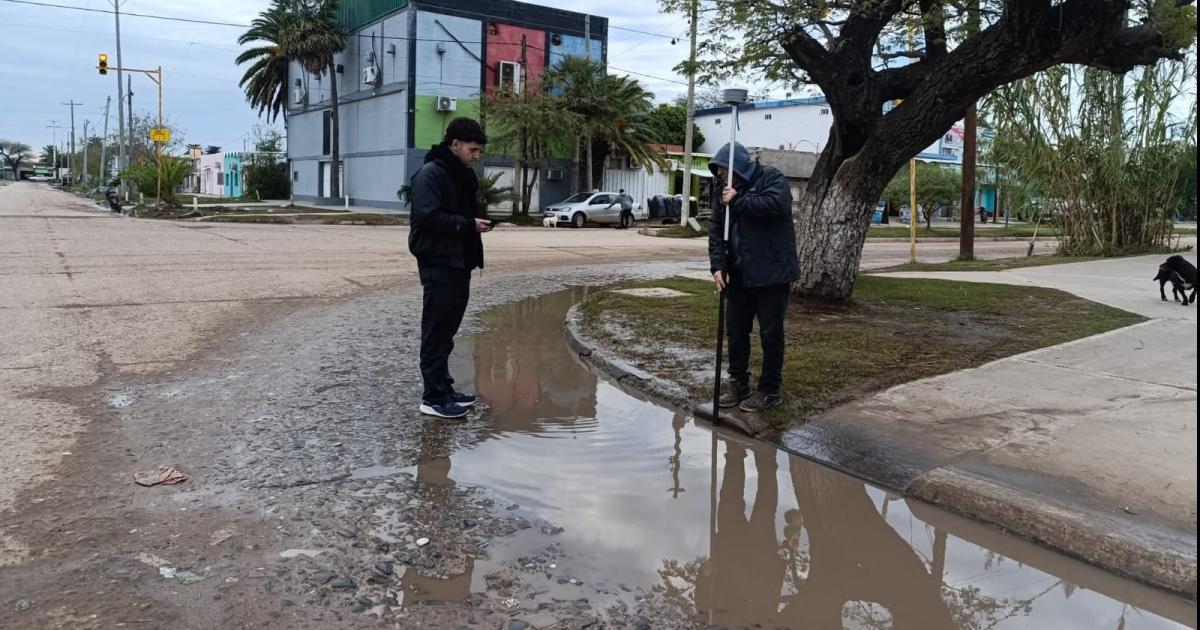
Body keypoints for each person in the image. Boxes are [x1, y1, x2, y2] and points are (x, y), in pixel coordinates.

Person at [409, 117, 492, 419]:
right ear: (454, 144)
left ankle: (444, 388)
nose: (476, 156)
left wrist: (471, 227)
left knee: (448, 331)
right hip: (438, 262)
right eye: (472, 149)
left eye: (479, 151)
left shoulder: (461, 175)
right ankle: (432, 398)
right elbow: (428, 219)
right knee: (436, 330)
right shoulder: (430, 175)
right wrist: (467, 225)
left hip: (459, 263)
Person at [708, 141, 798, 413]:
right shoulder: (722, 192)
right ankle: (738, 382)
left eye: (723, 169)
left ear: (738, 165)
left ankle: (769, 389)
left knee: (771, 334)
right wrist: (717, 266)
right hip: (738, 273)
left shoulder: (771, 178)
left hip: (772, 273)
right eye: (718, 172)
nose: (721, 175)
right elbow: (715, 230)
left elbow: (774, 206)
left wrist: (738, 199)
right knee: (736, 331)